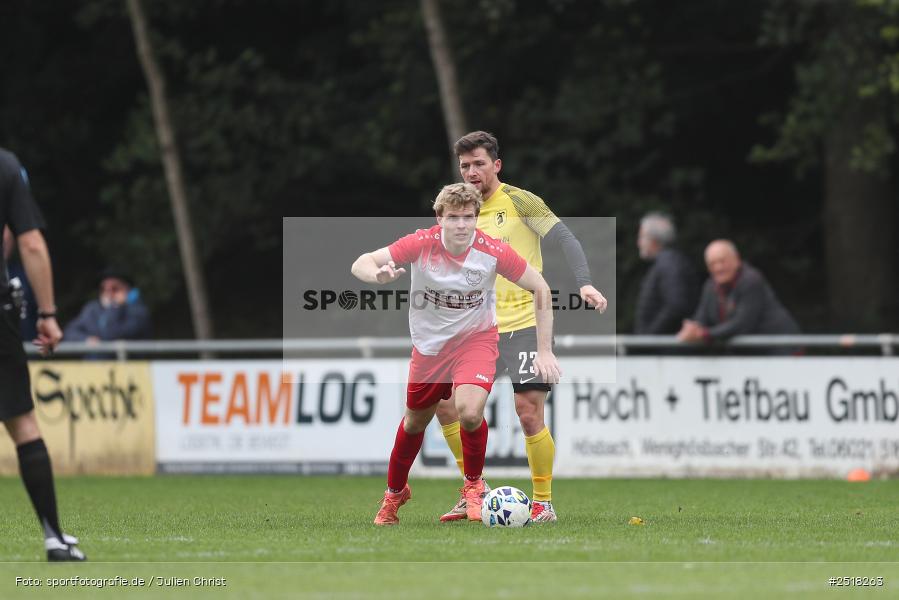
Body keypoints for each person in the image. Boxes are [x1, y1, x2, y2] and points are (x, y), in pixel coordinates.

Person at [351, 182, 560, 525]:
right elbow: (362, 261)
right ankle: (395, 494)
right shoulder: (421, 243)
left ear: (476, 218)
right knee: (414, 422)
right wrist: (377, 275)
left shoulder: (491, 250)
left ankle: (474, 487)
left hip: (476, 341)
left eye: (468, 217)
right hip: (430, 349)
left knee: (470, 412)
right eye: (453, 218)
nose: (461, 225)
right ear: (440, 218)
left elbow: (540, 287)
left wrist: (545, 350)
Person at [436, 131, 608, 524]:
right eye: (465, 166)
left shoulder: (520, 201)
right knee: (446, 404)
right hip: (477, 329)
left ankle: (543, 503)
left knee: (528, 411)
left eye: (479, 163)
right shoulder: (460, 212)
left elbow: (566, 238)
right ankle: (473, 490)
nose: (471, 172)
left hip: (526, 324)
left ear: (496, 165)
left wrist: (583, 282)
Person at [0, 147, 84, 561]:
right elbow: (29, 242)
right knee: (22, 422)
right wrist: (47, 314)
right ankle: (53, 538)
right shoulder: (5, 166)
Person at [677, 239, 800, 350]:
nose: (718, 267)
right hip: (753, 352)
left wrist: (705, 334)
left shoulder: (751, 280)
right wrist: (692, 327)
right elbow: (702, 316)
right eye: (712, 263)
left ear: (736, 259)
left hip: (781, 347)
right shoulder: (710, 285)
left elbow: (741, 324)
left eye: (722, 261)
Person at [634, 212, 699, 334]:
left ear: (653, 240)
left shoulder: (668, 264)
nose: (638, 243)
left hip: (665, 344)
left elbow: (676, 306)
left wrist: (649, 336)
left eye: (641, 237)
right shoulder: (668, 262)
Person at [64, 268, 151, 344]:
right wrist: (86, 339)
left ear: (128, 290)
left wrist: (115, 307)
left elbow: (110, 334)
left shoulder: (138, 311)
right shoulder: (92, 309)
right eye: (104, 289)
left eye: (115, 288)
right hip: (96, 358)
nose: (108, 293)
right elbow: (70, 332)